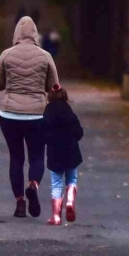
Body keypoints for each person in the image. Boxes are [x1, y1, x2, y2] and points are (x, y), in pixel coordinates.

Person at [0, 16, 59, 219]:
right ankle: (33, 184)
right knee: (37, 156)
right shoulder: (45, 55)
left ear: (16, 34)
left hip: (9, 114)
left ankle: (20, 203)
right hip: (37, 115)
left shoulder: (6, 54)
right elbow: (54, 87)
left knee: (16, 158)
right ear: (35, 34)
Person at [43, 84, 83, 225]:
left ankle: (56, 216)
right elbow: (79, 133)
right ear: (65, 97)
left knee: (56, 184)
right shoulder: (70, 112)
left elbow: (43, 134)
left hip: (55, 154)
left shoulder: (47, 113)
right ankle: (70, 200)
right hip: (71, 152)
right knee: (72, 179)